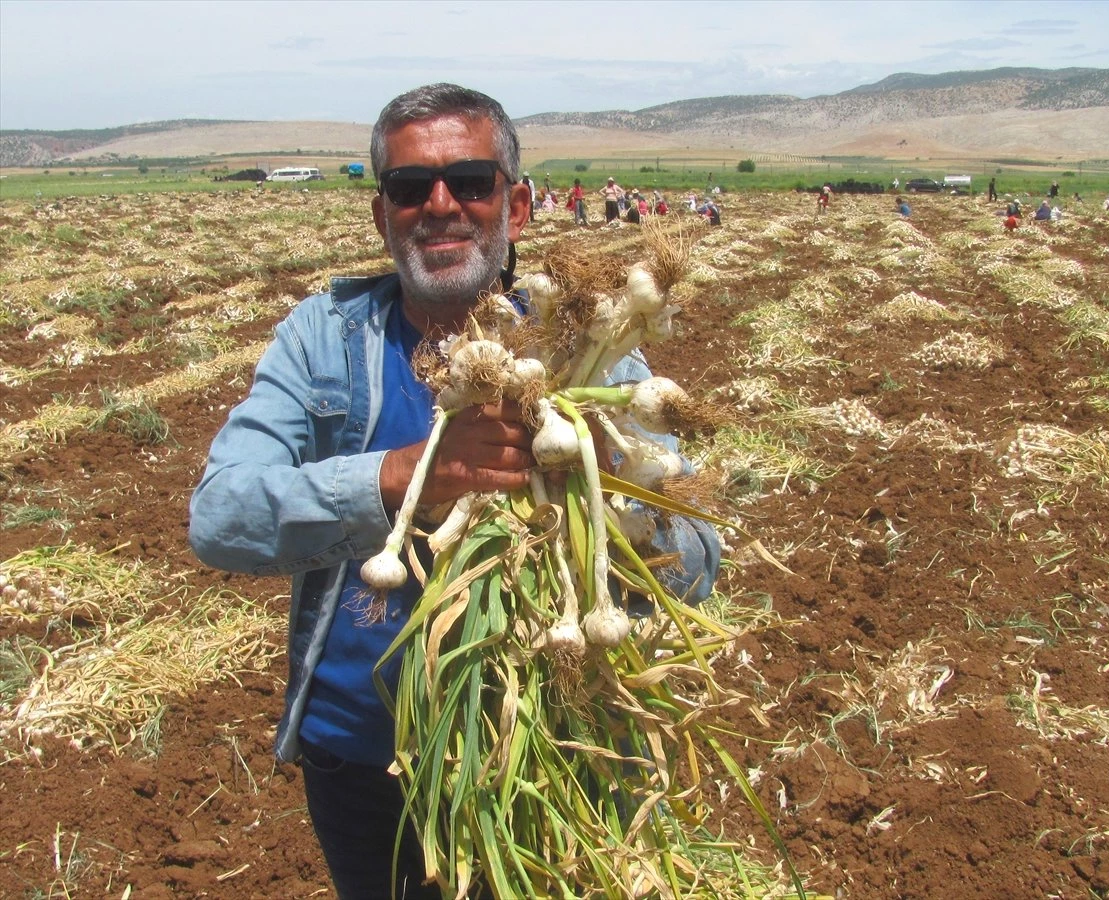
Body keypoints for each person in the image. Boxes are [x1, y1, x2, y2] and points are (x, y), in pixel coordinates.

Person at [188, 83, 720, 900]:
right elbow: (221, 517)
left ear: (518, 203)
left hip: (548, 751)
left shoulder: (595, 351)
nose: (440, 206)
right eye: (410, 188)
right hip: (362, 763)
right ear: (381, 216)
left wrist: (606, 501)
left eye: (470, 182)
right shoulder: (320, 338)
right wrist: (407, 476)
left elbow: (700, 560)